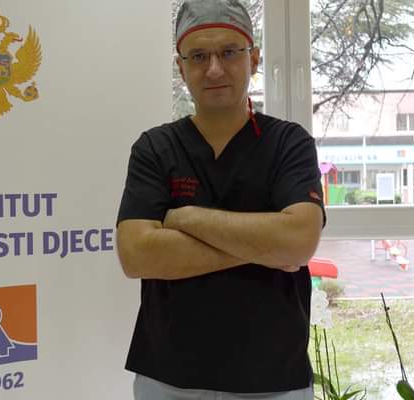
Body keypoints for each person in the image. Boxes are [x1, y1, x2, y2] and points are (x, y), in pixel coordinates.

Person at [116, 0, 326, 398]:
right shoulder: (155, 148)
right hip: (168, 379)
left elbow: (299, 240)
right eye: (198, 56)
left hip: (273, 379)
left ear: (254, 59)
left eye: (229, 52)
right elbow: (136, 255)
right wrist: (267, 247)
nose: (214, 69)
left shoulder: (288, 143)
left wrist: (184, 218)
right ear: (181, 68)